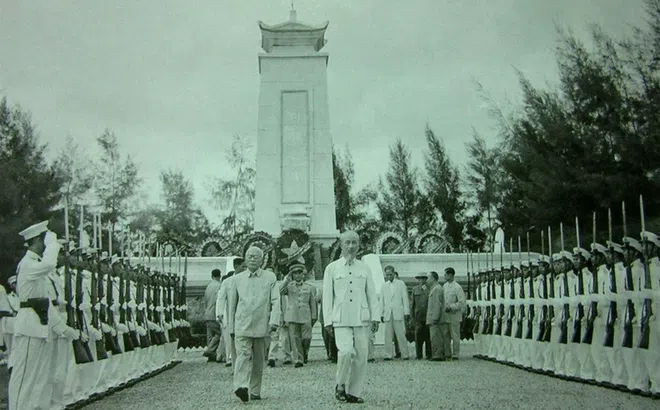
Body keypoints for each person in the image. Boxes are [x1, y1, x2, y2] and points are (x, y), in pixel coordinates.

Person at [8, 221, 80, 410]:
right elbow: (50, 264)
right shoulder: (28, 264)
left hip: (39, 326)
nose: (47, 244)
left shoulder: (36, 265)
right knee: (24, 376)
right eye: (45, 240)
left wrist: (64, 329)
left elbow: (45, 303)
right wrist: (53, 244)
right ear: (38, 240)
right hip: (29, 328)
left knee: (38, 376)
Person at [323, 231, 379, 404]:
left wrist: (375, 316)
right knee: (346, 352)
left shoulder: (364, 268)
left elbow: (371, 294)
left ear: (359, 245)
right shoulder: (332, 268)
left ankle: (354, 392)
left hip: (361, 317)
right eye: (347, 242)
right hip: (340, 318)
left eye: (354, 242)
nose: (351, 246)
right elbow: (327, 296)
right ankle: (340, 385)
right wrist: (328, 320)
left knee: (361, 356)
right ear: (341, 245)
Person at [227, 247, 280, 403]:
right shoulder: (237, 279)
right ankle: (241, 386)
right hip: (242, 324)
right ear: (245, 258)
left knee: (258, 359)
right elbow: (232, 304)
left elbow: (276, 300)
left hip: (261, 324)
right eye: (249, 256)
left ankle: (255, 391)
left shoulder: (270, 277)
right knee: (242, 356)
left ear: (262, 260)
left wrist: (274, 321)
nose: (252, 259)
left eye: (256, 257)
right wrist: (231, 327)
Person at [279, 263, 317, 367]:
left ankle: (304, 353)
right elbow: (279, 291)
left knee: (307, 337)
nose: (298, 275)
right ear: (292, 275)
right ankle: (298, 359)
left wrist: (314, 316)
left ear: (303, 274)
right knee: (295, 338)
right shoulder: (289, 286)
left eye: (300, 273)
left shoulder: (310, 287)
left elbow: (312, 303)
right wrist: (287, 278)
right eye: (295, 273)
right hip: (293, 315)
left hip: (306, 315)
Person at [216, 258, 245, 368]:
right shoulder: (227, 282)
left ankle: (244, 367)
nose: (245, 269)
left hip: (245, 315)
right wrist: (220, 313)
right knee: (232, 342)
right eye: (243, 266)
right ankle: (234, 366)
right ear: (236, 266)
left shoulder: (248, 280)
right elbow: (221, 298)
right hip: (232, 315)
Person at [381, 265, 410, 360]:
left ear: (394, 273)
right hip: (388, 313)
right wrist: (381, 313)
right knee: (387, 336)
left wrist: (406, 312)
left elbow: (405, 299)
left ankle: (405, 354)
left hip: (398, 312)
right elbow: (382, 301)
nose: (388, 276)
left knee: (401, 335)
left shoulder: (401, 284)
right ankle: (388, 355)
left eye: (390, 274)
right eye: (387, 275)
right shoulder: (384, 285)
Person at [441, 267, 466, 360]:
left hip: (454, 315)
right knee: (446, 335)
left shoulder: (457, 287)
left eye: (446, 275)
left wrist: (451, 307)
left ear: (451, 275)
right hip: (446, 315)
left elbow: (462, 302)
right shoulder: (444, 286)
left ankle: (455, 353)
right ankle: (447, 353)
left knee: (455, 335)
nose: (444, 276)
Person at [426, 271, 447, 361]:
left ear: (433, 278)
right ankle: (437, 354)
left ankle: (438, 355)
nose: (427, 280)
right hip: (434, 317)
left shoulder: (437, 289)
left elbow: (437, 304)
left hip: (435, 318)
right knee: (434, 337)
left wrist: (435, 317)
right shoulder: (435, 288)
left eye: (428, 278)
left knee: (436, 337)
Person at [203, 268, 223, 362]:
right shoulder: (219, 286)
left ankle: (211, 355)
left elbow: (206, 300)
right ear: (220, 276)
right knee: (220, 333)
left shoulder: (208, 286)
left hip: (207, 313)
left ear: (212, 276)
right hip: (214, 313)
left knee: (210, 335)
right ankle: (210, 350)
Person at [411, 272, 431, 360]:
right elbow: (413, 304)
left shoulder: (430, 288)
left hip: (427, 315)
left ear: (426, 279)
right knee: (418, 336)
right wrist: (412, 316)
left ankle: (428, 354)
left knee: (428, 336)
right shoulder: (415, 289)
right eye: (419, 278)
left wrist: (426, 290)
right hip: (418, 316)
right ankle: (418, 354)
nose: (421, 280)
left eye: (423, 278)